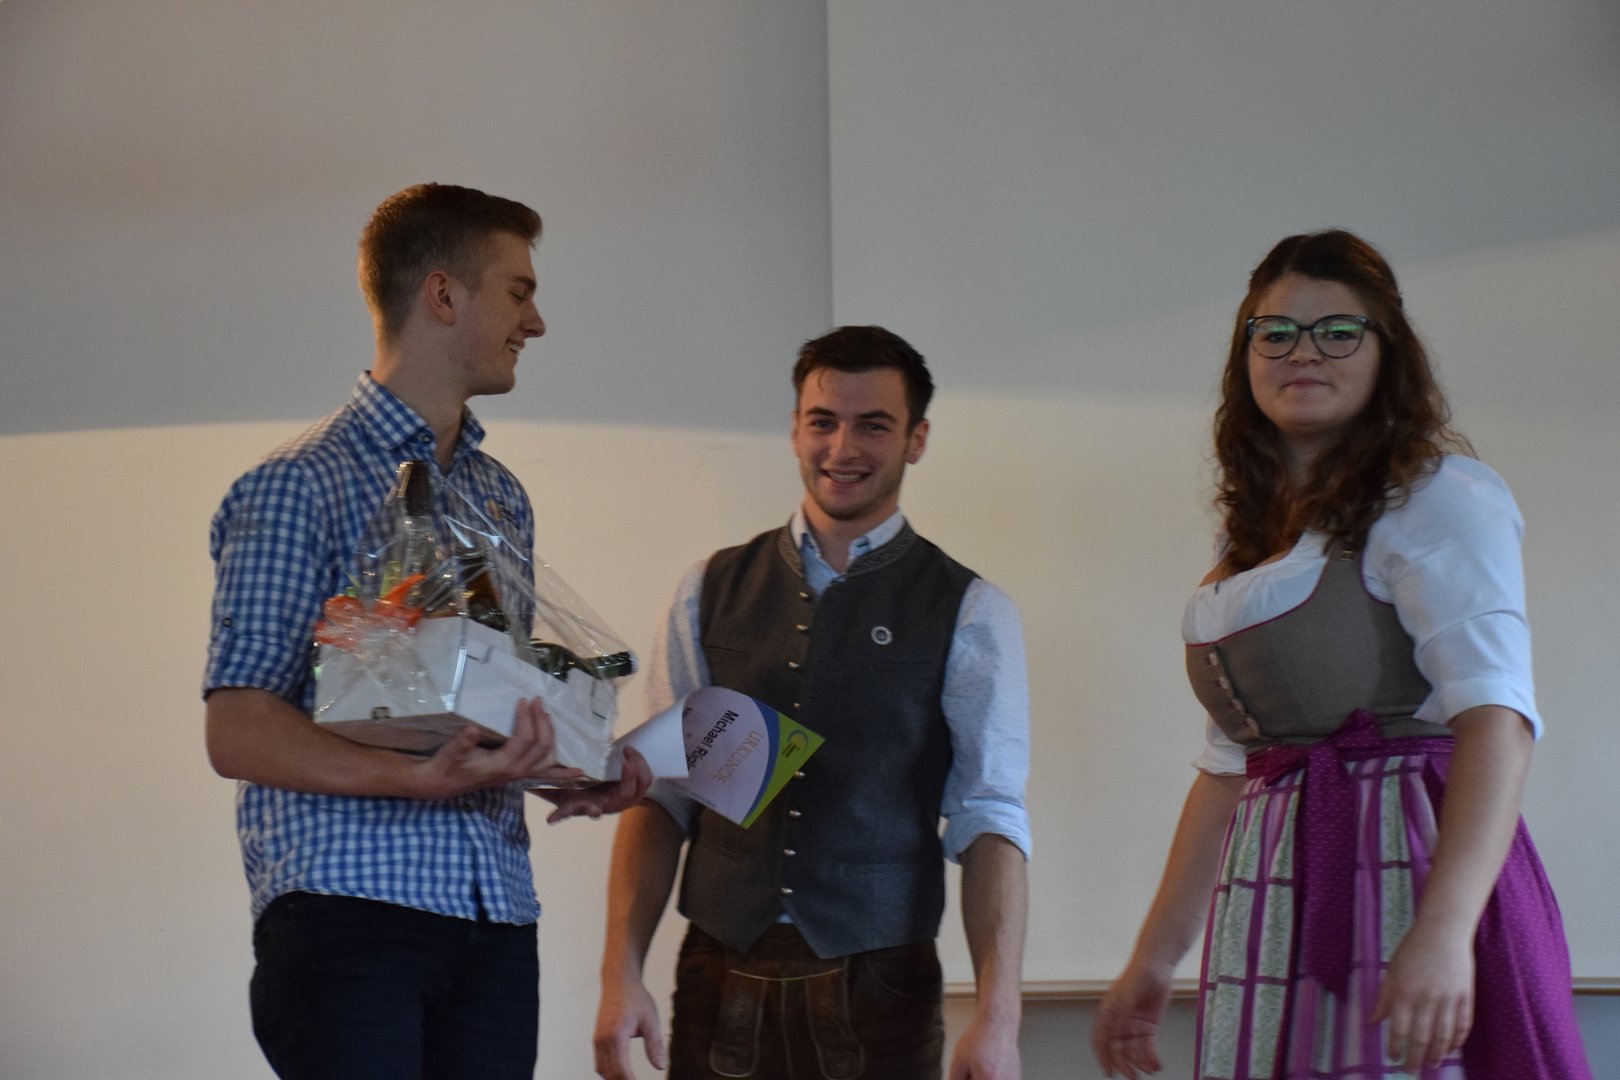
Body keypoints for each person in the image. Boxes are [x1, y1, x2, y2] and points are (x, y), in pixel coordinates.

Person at [1091, 230, 1592, 1079]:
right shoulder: (1250, 539)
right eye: (1275, 332)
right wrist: (1155, 958)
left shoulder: (1436, 496)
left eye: (1337, 330)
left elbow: (1498, 721)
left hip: (1408, 863)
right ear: (1246, 354)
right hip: (1277, 886)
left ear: (1386, 351)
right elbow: (1229, 771)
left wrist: (1444, 932)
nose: (1303, 352)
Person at [203, 182, 650, 1080]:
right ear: (443, 295)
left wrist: (571, 761)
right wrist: (415, 780)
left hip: (493, 916)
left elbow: (471, 704)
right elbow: (238, 729)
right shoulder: (298, 484)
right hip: (351, 913)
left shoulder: (499, 495)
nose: (536, 323)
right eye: (518, 293)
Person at [592, 325, 1032, 1080]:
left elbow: (989, 816)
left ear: (917, 439)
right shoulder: (709, 587)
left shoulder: (970, 608)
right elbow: (663, 795)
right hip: (718, 970)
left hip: (883, 986)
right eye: (823, 421)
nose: (842, 448)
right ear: (795, 427)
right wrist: (618, 976)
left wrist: (999, 1020)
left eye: (873, 425)